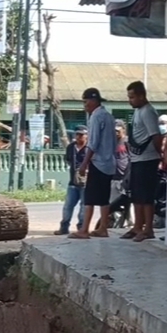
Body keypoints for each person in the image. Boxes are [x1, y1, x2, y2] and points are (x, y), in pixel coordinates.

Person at [70, 87, 117, 239]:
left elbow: (93, 143)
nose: (85, 105)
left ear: (93, 101)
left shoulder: (96, 117)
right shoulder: (109, 116)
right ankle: (103, 228)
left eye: (85, 102)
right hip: (109, 162)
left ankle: (84, 230)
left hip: (98, 162)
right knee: (104, 198)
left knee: (89, 198)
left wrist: (84, 163)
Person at [125, 80, 166, 242]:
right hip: (136, 158)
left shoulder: (148, 112)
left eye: (133, 97)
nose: (130, 100)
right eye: (129, 97)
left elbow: (156, 136)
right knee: (136, 195)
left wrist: (159, 154)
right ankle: (137, 227)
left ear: (142, 96)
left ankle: (148, 228)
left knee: (146, 196)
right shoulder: (138, 111)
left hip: (148, 158)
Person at [55, 127, 88, 235]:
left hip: (86, 183)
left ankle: (81, 227)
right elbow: (68, 160)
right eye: (77, 134)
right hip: (73, 182)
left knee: (84, 206)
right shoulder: (71, 147)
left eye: (81, 135)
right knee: (68, 205)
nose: (79, 137)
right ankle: (64, 226)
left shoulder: (89, 148)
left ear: (86, 136)